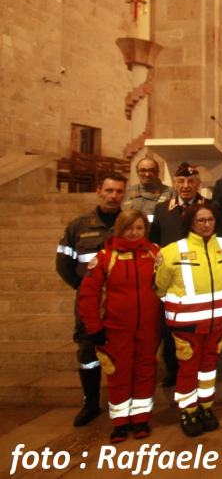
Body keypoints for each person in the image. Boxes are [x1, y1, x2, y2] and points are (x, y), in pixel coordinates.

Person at [77, 209, 161, 443]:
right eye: (128, 228)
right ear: (119, 229)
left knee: (146, 371)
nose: (134, 233)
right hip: (116, 329)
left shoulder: (155, 253)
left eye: (139, 228)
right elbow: (88, 295)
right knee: (118, 374)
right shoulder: (105, 257)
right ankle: (121, 422)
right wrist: (94, 327)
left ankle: (141, 418)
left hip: (147, 327)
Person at [154, 204, 222, 436]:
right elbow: (159, 287)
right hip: (187, 326)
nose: (207, 224)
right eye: (201, 220)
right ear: (190, 222)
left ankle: (206, 408)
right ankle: (188, 411)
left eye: (210, 219)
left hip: (219, 323)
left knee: (208, 370)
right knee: (189, 369)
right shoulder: (171, 251)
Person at [56, 171, 127, 427]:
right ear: (99, 191)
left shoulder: (130, 223)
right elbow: (64, 263)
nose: (113, 196)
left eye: (119, 191)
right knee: (88, 353)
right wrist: (85, 288)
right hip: (91, 304)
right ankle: (90, 402)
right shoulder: (79, 226)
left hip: (122, 302)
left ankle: (123, 402)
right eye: (109, 191)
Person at [149, 163, 222, 388]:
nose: (186, 186)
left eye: (191, 181)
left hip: (202, 278)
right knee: (171, 326)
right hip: (173, 281)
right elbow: (154, 241)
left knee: (200, 331)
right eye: (181, 181)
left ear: (198, 183)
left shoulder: (211, 207)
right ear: (174, 184)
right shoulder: (162, 210)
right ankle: (172, 369)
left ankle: (201, 366)